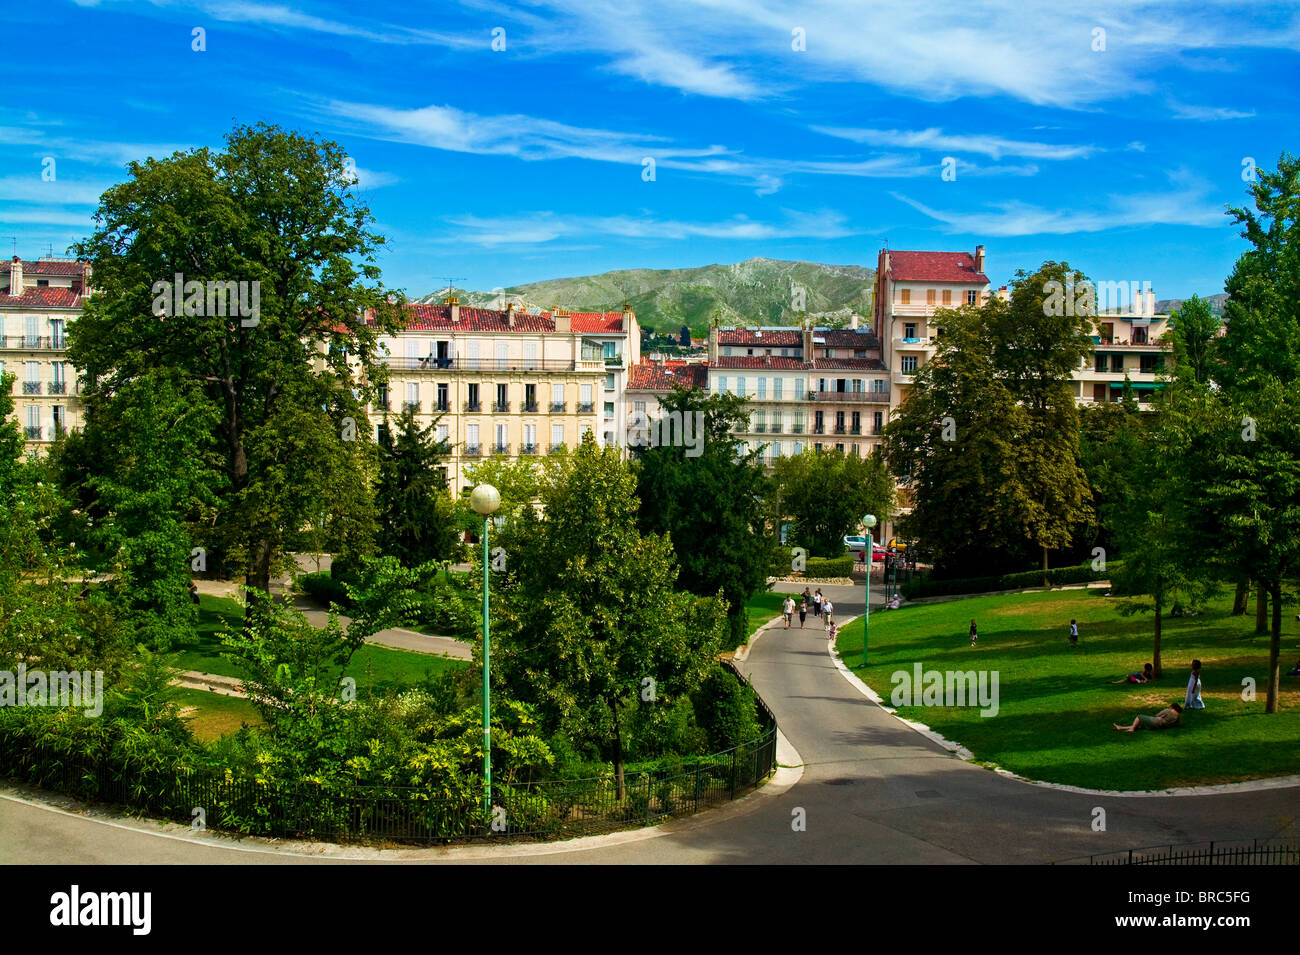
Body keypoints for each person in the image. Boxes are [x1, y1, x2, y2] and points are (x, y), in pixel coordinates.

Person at [1114, 702, 1182, 732]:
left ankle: (1132, 729)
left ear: (1172, 707)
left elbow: (1157, 715)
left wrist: (1160, 718)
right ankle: (1121, 727)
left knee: (1139, 717)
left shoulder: (1168, 711)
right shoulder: (1178, 716)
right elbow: (1176, 724)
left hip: (1156, 723)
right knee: (1139, 724)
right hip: (1162, 727)